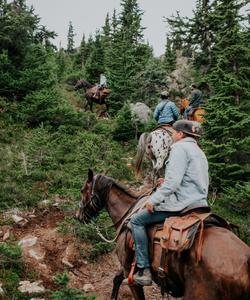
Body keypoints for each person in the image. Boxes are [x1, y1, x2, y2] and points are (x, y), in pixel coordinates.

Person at [127, 120, 209, 286]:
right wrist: (167, 181)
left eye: (173, 133)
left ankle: (144, 269)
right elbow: (189, 178)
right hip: (199, 202)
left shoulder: (179, 148)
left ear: (180, 134)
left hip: (182, 204)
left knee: (137, 221)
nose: (171, 135)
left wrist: (153, 199)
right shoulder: (199, 151)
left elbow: (173, 184)